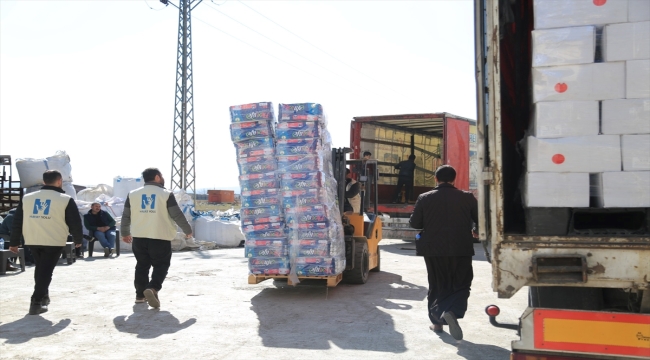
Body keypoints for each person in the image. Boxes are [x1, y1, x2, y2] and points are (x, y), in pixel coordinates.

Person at [409, 165, 478, 340]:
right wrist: (475, 229)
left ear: (435, 179)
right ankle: (452, 311)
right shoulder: (467, 197)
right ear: (454, 179)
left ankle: (437, 322)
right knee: (462, 282)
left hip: (433, 249)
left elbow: (415, 224)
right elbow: (481, 220)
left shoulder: (424, 198)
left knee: (437, 283)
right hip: (461, 247)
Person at [9, 170, 83, 315]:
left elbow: (17, 221)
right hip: (54, 240)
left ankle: (44, 297)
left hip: (33, 239)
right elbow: (75, 222)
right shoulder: (65, 199)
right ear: (59, 181)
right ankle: (36, 302)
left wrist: (14, 242)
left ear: (44, 182)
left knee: (41, 268)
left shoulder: (27, 198)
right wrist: (78, 239)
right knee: (46, 271)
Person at [121, 168, 192, 308]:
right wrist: (187, 230)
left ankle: (140, 296)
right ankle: (153, 288)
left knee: (142, 265)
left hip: (139, 237)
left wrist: (124, 233)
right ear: (157, 177)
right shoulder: (165, 194)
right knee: (161, 265)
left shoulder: (133, 194)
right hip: (160, 237)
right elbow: (176, 214)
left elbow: (126, 215)